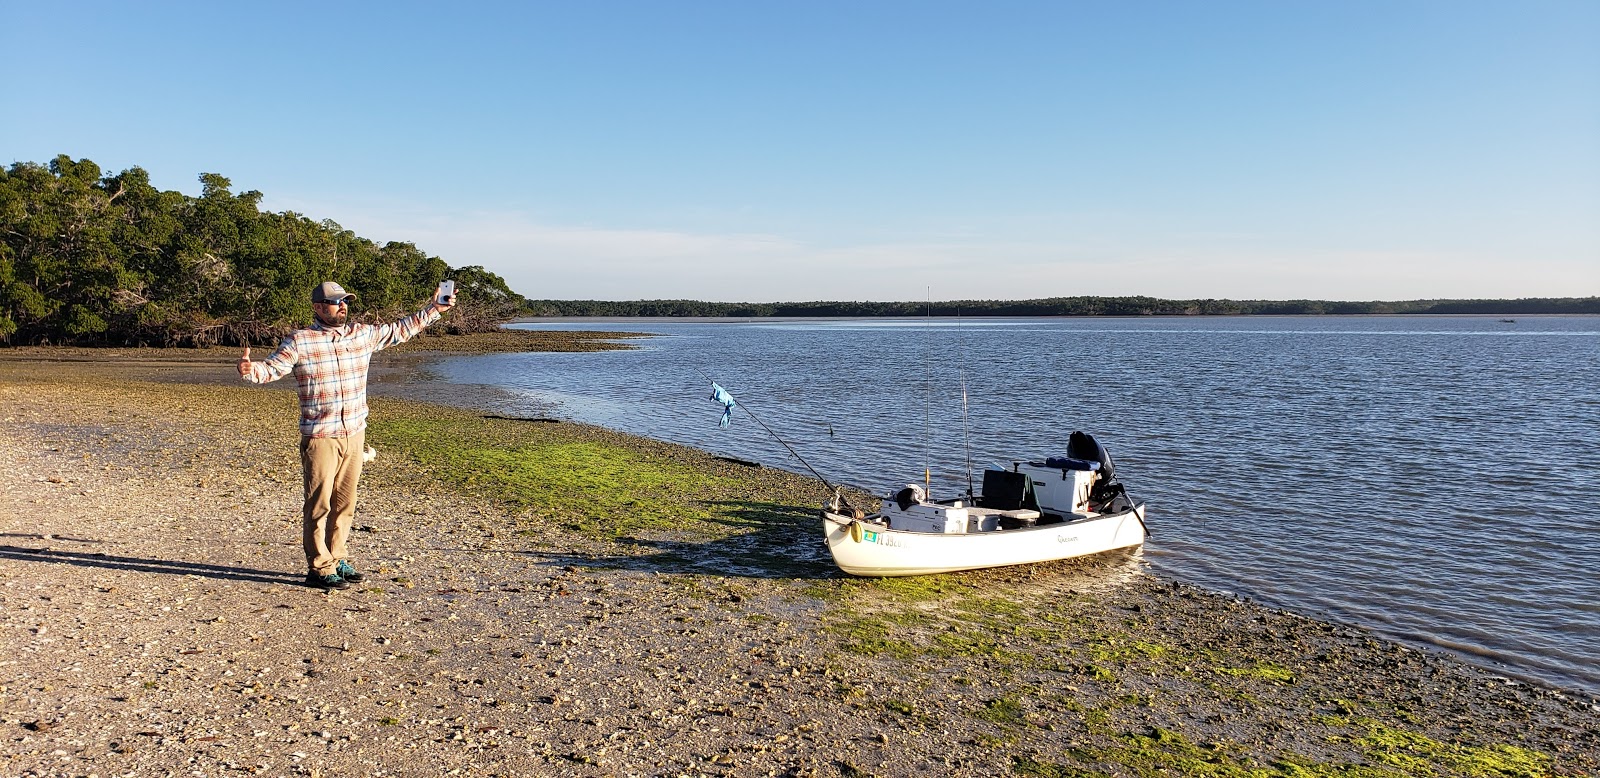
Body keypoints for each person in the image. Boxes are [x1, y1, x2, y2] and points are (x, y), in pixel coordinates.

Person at [238, 280, 455, 590]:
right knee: (319, 505)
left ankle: (337, 556)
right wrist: (251, 371)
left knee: (345, 503)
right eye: (334, 302)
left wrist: (435, 309)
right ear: (317, 307)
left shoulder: (361, 335)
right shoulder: (301, 341)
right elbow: (274, 368)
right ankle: (319, 566)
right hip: (320, 436)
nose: (341, 306)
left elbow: (400, 329)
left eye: (344, 301)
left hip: (355, 433)